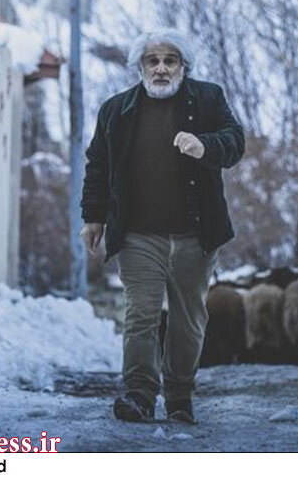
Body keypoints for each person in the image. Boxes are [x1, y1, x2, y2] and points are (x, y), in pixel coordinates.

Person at [79, 28, 245, 423]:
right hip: (137, 236)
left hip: (196, 235)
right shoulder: (116, 110)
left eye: (170, 61)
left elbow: (235, 141)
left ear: (183, 66)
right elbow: (98, 165)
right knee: (141, 314)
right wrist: (93, 217)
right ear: (139, 67)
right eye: (152, 61)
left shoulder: (209, 99)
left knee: (188, 320)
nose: (161, 69)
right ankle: (139, 394)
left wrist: (205, 146)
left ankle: (179, 397)